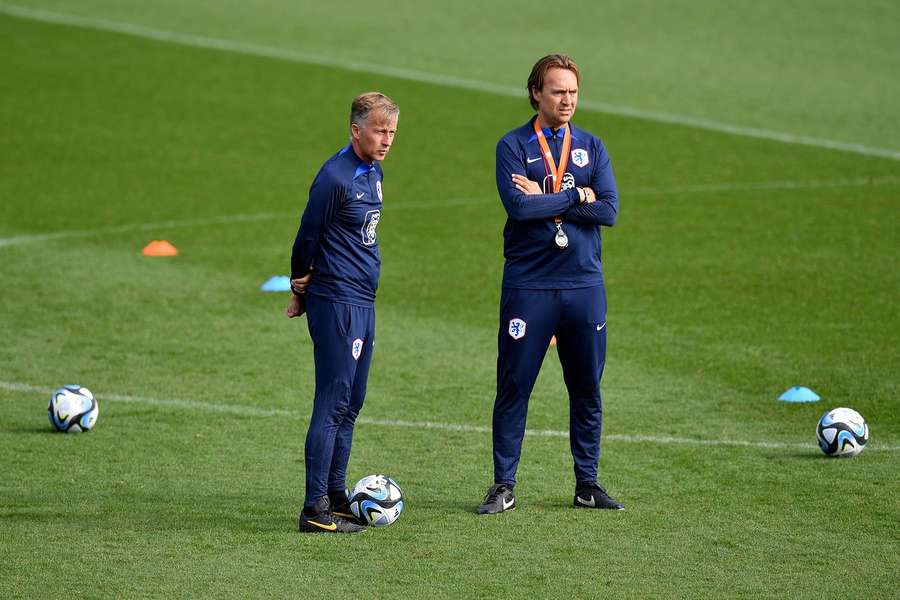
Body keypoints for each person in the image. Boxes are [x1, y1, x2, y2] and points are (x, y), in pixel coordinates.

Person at [477, 54, 623, 514]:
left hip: (583, 285)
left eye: (573, 92)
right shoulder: (512, 145)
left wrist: (549, 199)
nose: (567, 100)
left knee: (587, 389)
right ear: (536, 93)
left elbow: (609, 211)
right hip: (529, 285)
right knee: (515, 385)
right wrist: (576, 194)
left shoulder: (592, 146)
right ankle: (503, 485)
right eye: (558, 91)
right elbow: (519, 209)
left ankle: (588, 484)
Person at [286, 92, 399, 533]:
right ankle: (313, 510)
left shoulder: (373, 171)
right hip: (337, 301)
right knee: (332, 404)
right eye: (378, 130)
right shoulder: (335, 177)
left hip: (362, 301)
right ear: (356, 130)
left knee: (352, 403)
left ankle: (335, 494)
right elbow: (306, 235)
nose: (386, 139)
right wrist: (301, 284)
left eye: (391, 132)